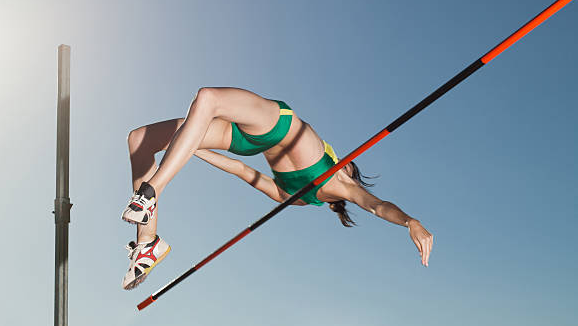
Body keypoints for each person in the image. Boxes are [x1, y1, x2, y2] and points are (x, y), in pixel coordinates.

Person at [121, 87, 433, 290]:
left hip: (256, 138)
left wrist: (410, 221)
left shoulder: (334, 185)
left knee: (207, 98)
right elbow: (241, 169)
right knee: (140, 140)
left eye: (351, 167)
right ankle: (148, 243)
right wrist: (188, 146)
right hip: (267, 125)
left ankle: (151, 191)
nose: (347, 164)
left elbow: (378, 206)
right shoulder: (311, 184)